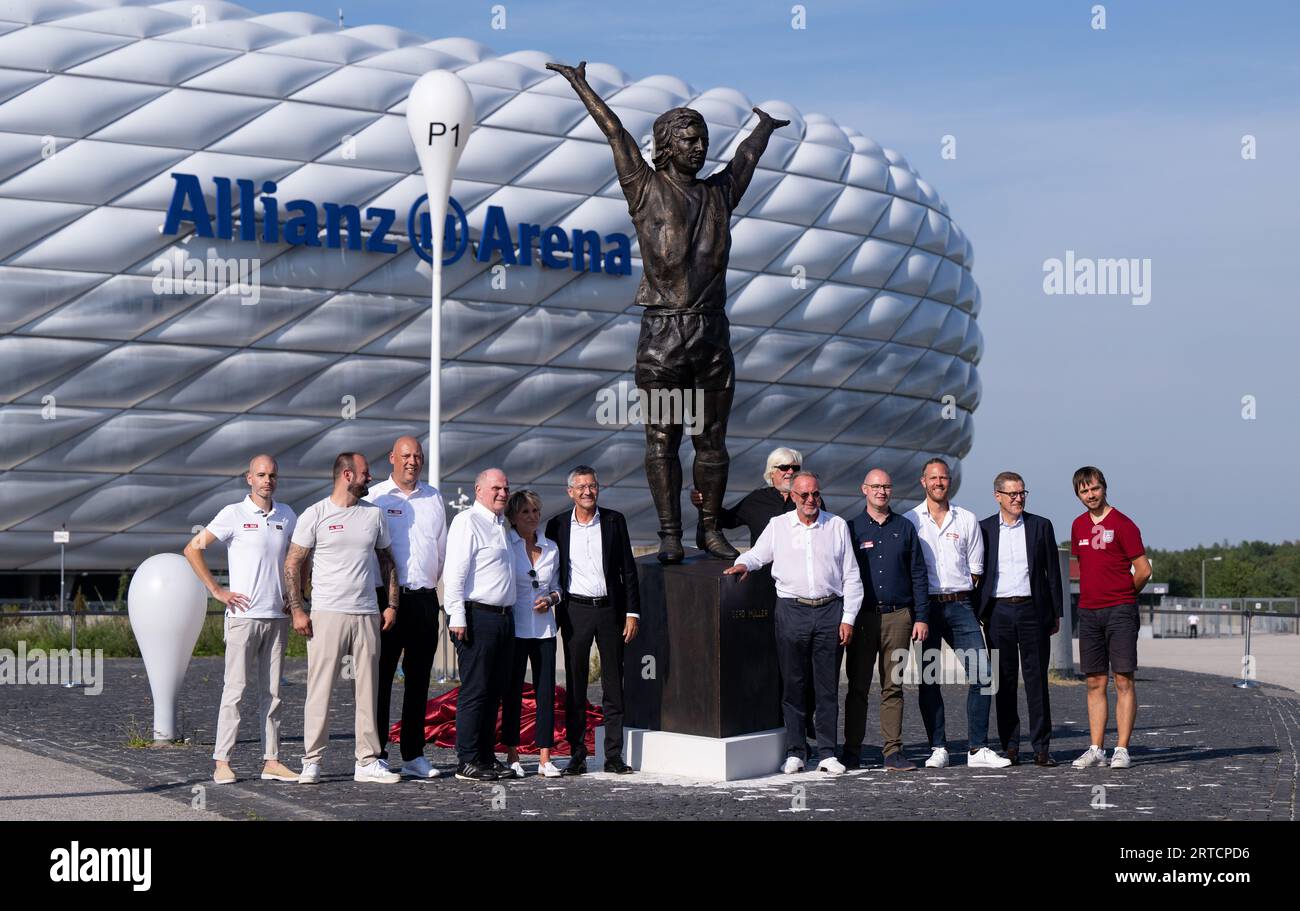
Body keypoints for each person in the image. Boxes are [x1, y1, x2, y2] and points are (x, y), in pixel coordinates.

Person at [547, 59, 789, 564]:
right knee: (663, 439)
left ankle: (709, 530)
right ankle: (669, 533)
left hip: (711, 333)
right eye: (688, 138)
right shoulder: (644, 186)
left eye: (702, 138)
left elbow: (745, 158)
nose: (698, 146)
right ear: (665, 144)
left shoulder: (719, 193)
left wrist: (764, 127)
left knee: (712, 442)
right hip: (662, 335)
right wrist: (581, 85)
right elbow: (615, 134)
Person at [724, 472, 862, 775]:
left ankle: (827, 753)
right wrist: (746, 563)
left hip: (829, 612)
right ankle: (796, 751)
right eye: (804, 495)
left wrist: (848, 618)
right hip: (791, 611)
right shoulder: (779, 526)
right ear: (793, 497)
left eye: (815, 494)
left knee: (826, 688)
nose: (811, 500)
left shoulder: (836, 525)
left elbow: (851, 575)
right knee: (793, 685)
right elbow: (760, 553)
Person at [284, 452, 401, 785]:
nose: (371, 478)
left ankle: (366, 761)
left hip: (366, 613)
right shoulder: (315, 514)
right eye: (365, 473)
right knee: (320, 689)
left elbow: (388, 561)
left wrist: (392, 604)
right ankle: (312, 761)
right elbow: (293, 563)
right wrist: (298, 609)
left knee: (368, 690)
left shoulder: (374, 515)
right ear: (347, 475)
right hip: (326, 613)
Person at [184, 454, 298, 785]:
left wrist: (296, 596)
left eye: (272, 475)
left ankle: (272, 761)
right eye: (261, 475)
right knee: (234, 690)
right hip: (242, 617)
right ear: (249, 478)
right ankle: (222, 762)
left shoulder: (287, 515)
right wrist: (217, 590)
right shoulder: (233, 514)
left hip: (277, 616)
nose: (267, 480)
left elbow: (297, 559)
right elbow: (192, 549)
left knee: (274, 693)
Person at [907, 458, 1010, 770]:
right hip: (925, 609)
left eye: (944, 478)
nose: (939, 482)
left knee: (983, 674)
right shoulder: (910, 520)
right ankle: (938, 747)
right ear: (923, 481)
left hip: (959, 605)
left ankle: (977, 748)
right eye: (933, 477)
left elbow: (976, 570)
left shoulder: (966, 519)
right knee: (928, 678)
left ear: (949, 482)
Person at [545, 466, 640, 775]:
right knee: (576, 685)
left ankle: (613, 755)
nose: (588, 491)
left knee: (614, 684)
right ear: (570, 492)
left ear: (598, 488)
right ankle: (577, 754)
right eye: (581, 487)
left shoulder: (614, 521)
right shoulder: (557, 526)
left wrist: (632, 612)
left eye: (593, 486)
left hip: (610, 611)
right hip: (575, 611)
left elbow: (628, 570)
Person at [365, 436, 447, 780]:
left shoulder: (434, 497)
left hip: (425, 598)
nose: (413, 461)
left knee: (419, 680)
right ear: (392, 459)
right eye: (406, 456)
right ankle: (376, 753)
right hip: (387, 601)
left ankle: (413, 754)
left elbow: (440, 550)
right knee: (380, 678)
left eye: (417, 456)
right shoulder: (376, 498)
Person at [843, 469, 928, 772]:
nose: (881, 491)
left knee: (893, 686)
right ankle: (851, 751)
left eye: (886, 486)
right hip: (864, 617)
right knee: (858, 687)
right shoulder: (850, 529)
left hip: (899, 617)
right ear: (863, 489)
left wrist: (921, 617)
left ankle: (893, 752)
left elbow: (918, 574)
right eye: (876, 486)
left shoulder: (905, 528)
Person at [976, 472, 1062, 767]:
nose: (1018, 499)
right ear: (997, 495)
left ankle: (1041, 748)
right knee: (1004, 682)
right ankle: (1010, 746)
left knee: (1037, 681)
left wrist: (1056, 613)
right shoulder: (984, 529)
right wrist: (981, 612)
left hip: (1032, 611)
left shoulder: (1041, 526)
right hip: (998, 612)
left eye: (1022, 493)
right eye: (1012, 494)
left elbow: (1053, 573)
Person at [1070, 466, 1150, 770]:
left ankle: (1122, 749)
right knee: (1094, 681)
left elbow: (1143, 570)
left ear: (1104, 488)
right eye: (1084, 491)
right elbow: (1087, 566)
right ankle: (1096, 748)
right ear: (1078, 494)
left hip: (1120, 611)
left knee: (1123, 679)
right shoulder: (1078, 526)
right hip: (1088, 612)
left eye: (1094, 489)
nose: (1090, 495)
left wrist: (1125, 596)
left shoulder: (1124, 524)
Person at [443, 468, 517, 782]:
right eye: (496, 488)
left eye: (506, 488)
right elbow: (456, 573)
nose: (502, 493)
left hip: (502, 617)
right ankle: (468, 759)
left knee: (494, 691)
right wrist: (457, 616)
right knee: (475, 690)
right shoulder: (467, 522)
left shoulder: (501, 525)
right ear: (478, 490)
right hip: (477, 617)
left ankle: (486, 756)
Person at [501, 490, 564, 779]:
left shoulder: (551, 547)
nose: (532, 516)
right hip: (514, 628)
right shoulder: (506, 545)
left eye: (536, 511)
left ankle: (545, 757)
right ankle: (512, 754)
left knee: (544, 692)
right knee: (511, 691)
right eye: (525, 512)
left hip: (544, 629)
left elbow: (558, 587)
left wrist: (550, 600)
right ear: (513, 517)